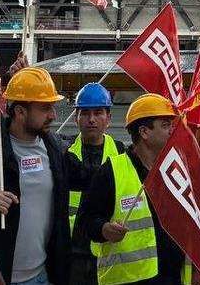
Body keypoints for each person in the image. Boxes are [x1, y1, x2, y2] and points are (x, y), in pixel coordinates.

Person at [0, 66, 92, 285]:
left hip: (42, 277)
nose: (53, 115)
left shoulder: (56, 149)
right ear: (20, 112)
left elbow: (89, 178)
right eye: (45, 108)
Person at [75, 93, 186, 285]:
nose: (172, 131)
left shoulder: (175, 170)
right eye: (166, 125)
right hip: (128, 279)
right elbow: (85, 221)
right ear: (144, 132)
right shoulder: (111, 171)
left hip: (171, 277)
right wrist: (104, 229)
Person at [64, 82, 120, 285]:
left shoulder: (122, 154)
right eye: (85, 113)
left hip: (108, 252)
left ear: (109, 118)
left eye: (98, 113)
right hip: (71, 254)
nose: (92, 119)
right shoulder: (63, 151)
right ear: (75, 118)